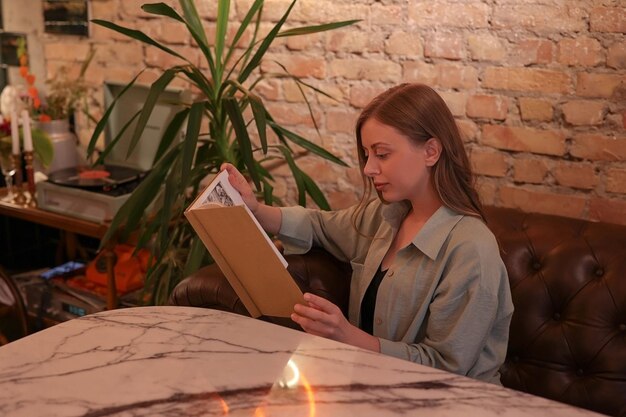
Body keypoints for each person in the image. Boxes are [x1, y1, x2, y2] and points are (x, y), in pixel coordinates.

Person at [221, 83, 513, 384]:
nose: (369, 168)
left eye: (382, 154)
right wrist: (254, 209)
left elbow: (446, 369)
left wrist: (346, 335)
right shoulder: (383, 215)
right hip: (374, 389)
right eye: (367, 154)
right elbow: (320, 226)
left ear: (431, 151)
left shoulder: (471, 249)